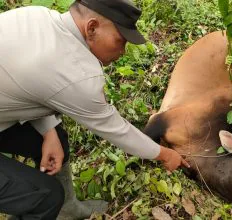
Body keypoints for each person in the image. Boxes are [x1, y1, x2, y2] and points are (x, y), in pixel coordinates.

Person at [0, 0, 190, 219]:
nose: (122, 51)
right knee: (46, 197)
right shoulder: (78, 73)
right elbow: (116, 129)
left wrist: (48, 131)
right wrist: (165, 155)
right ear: (91, 28)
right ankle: (51, 208)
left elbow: (27, 83)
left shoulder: (37, 16)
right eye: (120, 41)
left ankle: (67, 209)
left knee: (54, 137)